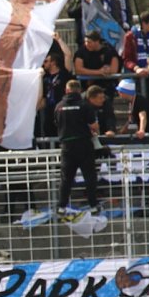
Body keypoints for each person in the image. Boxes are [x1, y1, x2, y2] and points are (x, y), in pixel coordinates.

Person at [55, 80, 101, 217]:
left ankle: (61, 207)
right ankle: (93, 205)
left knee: (66, 178)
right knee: (90, 177)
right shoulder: (84, 105)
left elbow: (56, 123)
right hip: (84, 145)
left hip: (66, 146)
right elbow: (94, 126)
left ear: (67, 90)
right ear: (79, 90)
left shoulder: (59, 106)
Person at [122, 12, 149, 133]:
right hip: (137, 77)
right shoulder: (130, 37)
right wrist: (136, 68)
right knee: (140, 103)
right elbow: (126, 58)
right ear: (143, 23)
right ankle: (139, 126)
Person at [35, 52, 72, 138]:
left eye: (46, 61)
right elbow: (43, 96)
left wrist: (59, 39)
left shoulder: (63, 74)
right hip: (49, 111)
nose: (44, 64)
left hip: (62, 109)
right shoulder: (45, 78)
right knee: (48, 131)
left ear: (53, 62)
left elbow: (68, 55)